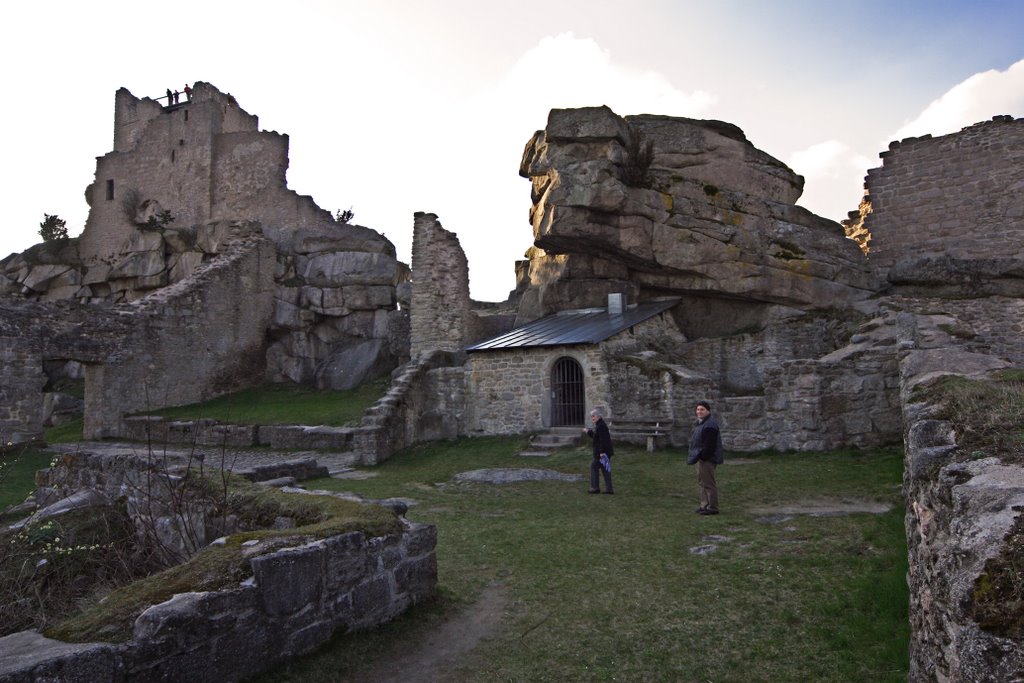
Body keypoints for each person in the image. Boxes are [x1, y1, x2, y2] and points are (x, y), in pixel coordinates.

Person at [687, 401, 723, 514]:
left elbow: (710, 445)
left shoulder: (710, 425)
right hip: (701, 458)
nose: (699, 411)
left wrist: (703, 457)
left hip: (707, 459)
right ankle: (704, 505)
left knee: (708, 483)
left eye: (702, 409)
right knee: (702, 483)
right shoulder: (701, 423)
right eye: (698, 409)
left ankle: (713, 507)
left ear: (708, 411)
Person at [583, 408, 614, 494]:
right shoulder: (599, 425)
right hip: (605, 452)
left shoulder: (601, 426)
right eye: (591, 416)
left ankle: (595, 488)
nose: (592, 418)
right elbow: (596, 437)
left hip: (602, 452)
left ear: (598, 416)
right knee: (605, 469)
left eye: (593, 416)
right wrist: (588, 431)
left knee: (594, 467)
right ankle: (609, 489)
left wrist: (601, 452)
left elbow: (603, 440)